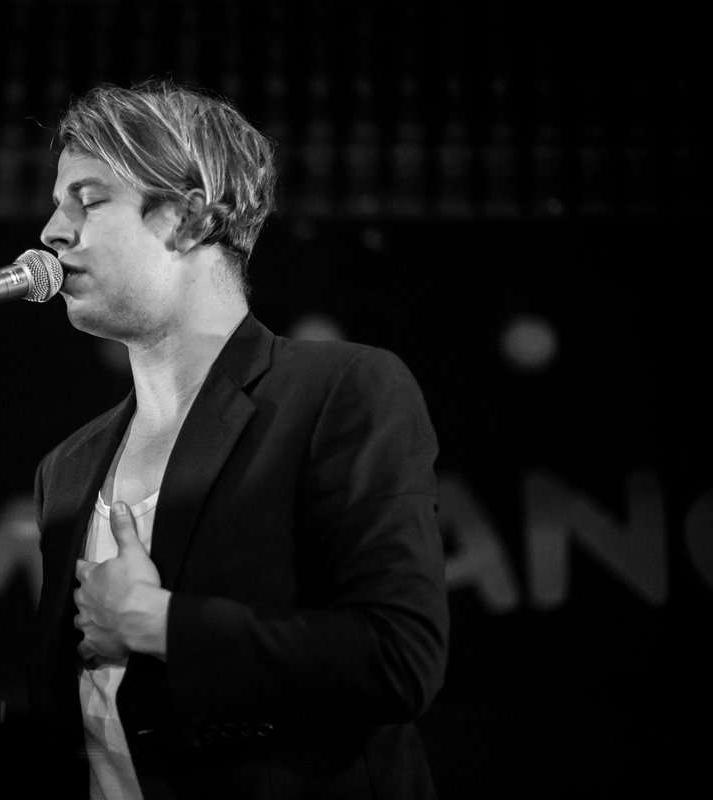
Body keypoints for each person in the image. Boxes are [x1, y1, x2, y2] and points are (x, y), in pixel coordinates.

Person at [27, 79, 449, 800]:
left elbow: (397, 658)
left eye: (90, 201)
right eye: (60, 202)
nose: (52, 232)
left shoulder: (340, 391)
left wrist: (160, 623)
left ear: (189, 220)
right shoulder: (66, 468)